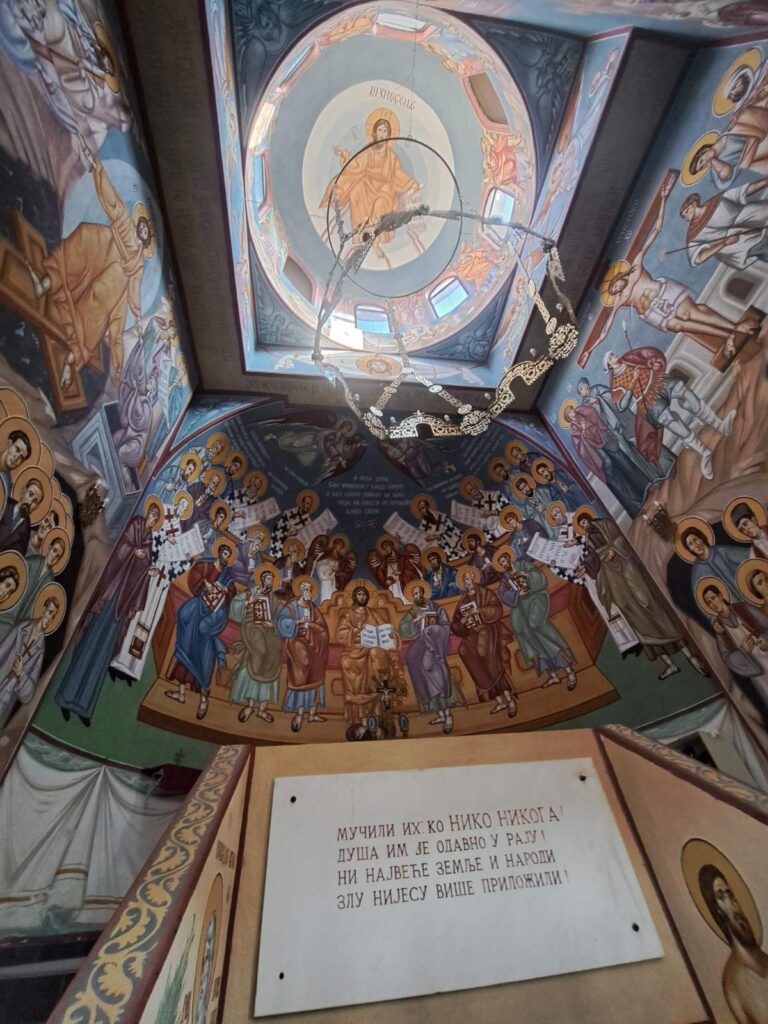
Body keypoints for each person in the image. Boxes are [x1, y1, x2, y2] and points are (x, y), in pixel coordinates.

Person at [595, 176, 758, 359]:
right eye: (614, 288)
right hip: (651, 313)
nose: (617, 287)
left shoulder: (635, 268)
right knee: (680, 326)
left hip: (665, 292)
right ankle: (728, 335)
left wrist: (663, 199)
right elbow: (606, 327)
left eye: (616, 283)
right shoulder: (621, 298)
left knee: (692, 313)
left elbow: (656, 230)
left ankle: (735, 328)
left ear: (619, 276)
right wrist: (590, 349)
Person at [26, 158, 153, 386]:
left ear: (146, 240)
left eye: (146, 231)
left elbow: (133, 290)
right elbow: (114, 203)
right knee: (84, 239)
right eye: (142, 225)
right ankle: (45, 283)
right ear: (138, 224)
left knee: (95, 313)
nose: (143, 229)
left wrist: (136, 314)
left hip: (114, 283)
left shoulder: (138, 265)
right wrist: (97, 169)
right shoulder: (125, 225)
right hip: (99, 251)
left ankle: (70, 361)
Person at [56, 501, 162, 725]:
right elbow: (121, 547)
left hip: (123, 604)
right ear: (148, 513)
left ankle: (84, 707)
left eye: (156, 517)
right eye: (152, 514)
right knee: (89, 643)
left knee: (103, 652)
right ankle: (66, 698)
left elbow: (145, 565)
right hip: (111, 593)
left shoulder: (151, 539)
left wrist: (148, 569)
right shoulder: (136, 524)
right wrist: (133, 552)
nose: (152, 519)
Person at [582, 516, 710, 679]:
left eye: (585, 521)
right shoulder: (588, 539)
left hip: (630, 572)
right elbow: (592, 561)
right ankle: (669, 664)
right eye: (582, 524)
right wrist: (585, 567)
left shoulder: (606, 525)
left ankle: (691, 657)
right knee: (638, 620)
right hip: (615, 581)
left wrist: (614, 549)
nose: (585, 525)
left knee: (658, 614)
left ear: (590, 519)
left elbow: (621, 539)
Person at [604, 348, 735, 479]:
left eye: (612, 354)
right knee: (669, 420)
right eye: (610, 358)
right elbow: (622, 406)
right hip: (646, 400)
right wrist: (633, 382)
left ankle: (720, 426)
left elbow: (648, 359)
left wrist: (654, 365)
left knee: (683, 391)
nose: (613, 356)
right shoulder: (616, 384)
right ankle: (704, 452)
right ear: (609, 366)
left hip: (657, 381)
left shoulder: (630, 359)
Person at [320, 111, 420, 261]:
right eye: (379, 130)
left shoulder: (392, 157)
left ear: (388, 135)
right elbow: (356, 165)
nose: (382, 134)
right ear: (374, 133)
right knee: (356, 191)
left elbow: (397, 174)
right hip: (367, 185)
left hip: (384, 190)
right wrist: (345, 155)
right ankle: (361, 236)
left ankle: (374, 242)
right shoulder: (368, 151)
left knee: (380, 204)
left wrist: (411, 183)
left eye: (385, 131)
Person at [165, 541, 237, 720]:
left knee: (205, 660)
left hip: (211, 618)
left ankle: (204, 700)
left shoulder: (227, 576)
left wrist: (225, 591)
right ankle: (180, 693)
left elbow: (231, 593)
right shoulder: (206, 565)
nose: (225, 557)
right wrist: (205, 584)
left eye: (228, 556)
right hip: (198, 611)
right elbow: (195, 579)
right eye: (224, 554)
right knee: (186, 651)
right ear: (219, 553)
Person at [697, 863, 768, 1023]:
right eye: (722, 897)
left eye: (730, 894)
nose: (733, 905)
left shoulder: (764, 958)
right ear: (717, 910)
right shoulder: (732, 981)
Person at [496, 550, 577, 690]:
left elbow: (540, 577)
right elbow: (503, 594)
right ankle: (552, 675)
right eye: (501, 563)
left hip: (535, 598)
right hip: (521, 606)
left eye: (504, 560)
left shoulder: (523, 565)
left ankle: (569, 671)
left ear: (509, 558)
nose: (504, 564)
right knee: (527, 634)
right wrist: (517, 594)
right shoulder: (505, 579)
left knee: (535, 625)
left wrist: (526, 579)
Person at [450, 567, 517, 717]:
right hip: (471, 635)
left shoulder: (484, 592)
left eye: (469, 578)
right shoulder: (463, 600)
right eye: (465, 580)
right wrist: (462, 622)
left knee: (485, 654)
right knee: (464, 651)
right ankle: (498, 700)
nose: (467, 582)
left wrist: (480, 611)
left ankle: (508, 698)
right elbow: (455, 624)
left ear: (474, 578)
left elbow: (496, 608)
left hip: (487, 629)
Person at [336, 584, 402, 724]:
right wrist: (355, 631)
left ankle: (376, 706)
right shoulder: (348, 614)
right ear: (354, 597)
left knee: (375, 654)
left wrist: (391, 634)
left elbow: (384, 627)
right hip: (354, 649)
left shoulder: (372, 613)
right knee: (347, 661)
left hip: (371, 646)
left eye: (364, 594)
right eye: (359, 594)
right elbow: (340, 634)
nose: (362, 597)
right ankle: (359, 712)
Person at [700, 582, 768, 711]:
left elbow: (766, 624)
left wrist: (765, 640)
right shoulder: (720, 629)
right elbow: (726, 658)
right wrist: (743, 651)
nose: (713, 603)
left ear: (720, 596)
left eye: (713, 598)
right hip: (755, 668)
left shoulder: (743, 608)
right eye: (709, 602)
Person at [228, 566, 281, 726]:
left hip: (268, 630)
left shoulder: (274, 599)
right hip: (251, 625)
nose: (269, 582)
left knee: (274, 652)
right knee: (260, 651)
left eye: (272, 580)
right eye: (268, 579)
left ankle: (262, 709)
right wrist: (248, 601)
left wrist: (272, 624)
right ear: (262, 580)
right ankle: (250, 706)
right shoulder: (252, 592)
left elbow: (280, 617)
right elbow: (235, 605)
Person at [399, 582, 454, 733]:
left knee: (437, 675)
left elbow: (445, 626)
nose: (417, 596)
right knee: (413, 661)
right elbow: (403, 628)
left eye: (419, 593)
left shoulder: (436, 608)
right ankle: (440, 714)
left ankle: (448, 714)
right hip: (420, 643)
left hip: (434, 645)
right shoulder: (412, 612)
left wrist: (432, 630)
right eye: (414, 595)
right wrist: (415, 621)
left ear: (424, 593)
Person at [0, 592, 61, 729]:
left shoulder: (40, 648)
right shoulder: (21, 628)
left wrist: (20, 674)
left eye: (53, 616)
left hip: (4, 700)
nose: (50, 618)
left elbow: (27, 694)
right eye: (50, 612)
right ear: (43, 610)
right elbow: (2, 651)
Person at [680, 177, 768, 270]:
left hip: (758, 217)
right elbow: (698, 258)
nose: (687, 215)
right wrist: (724, 243)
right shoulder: (693, 235)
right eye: (684, 216)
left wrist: (765, 182)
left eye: (687, 211)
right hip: (746, 243)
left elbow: (744, 191)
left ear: (694, 203)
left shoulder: (716, 201)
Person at [277, 577, 329, 733]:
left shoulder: (313, 608)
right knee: (303, 668)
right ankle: (299, 713)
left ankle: (312, 713)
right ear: (300, 591)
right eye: (305, 589)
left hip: (313, 643)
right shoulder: (291, 606)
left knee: (316, 670)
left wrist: (312, 626)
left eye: (309, 590)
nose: (308, 592)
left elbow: (323, 628)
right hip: (297, 641)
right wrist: (296, 623)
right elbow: (281, 622)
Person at [368, 535, 420, 602]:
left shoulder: (402, 558)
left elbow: (411, 569)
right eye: (384, 548)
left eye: (387, 547)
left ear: (391, 546)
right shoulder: (386, 560)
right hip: (392, 584)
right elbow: (379, 571)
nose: (386, 549)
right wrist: (385, 581)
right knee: (395, 600)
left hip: (403, 582)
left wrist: (401, 573)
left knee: (405, 600)